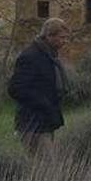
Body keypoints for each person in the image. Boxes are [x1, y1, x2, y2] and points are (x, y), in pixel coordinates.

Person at [8, 18, 70, 155]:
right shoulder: (31, 56)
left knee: (45, 166)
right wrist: (44, 103)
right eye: (62, 38)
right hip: (32, 123)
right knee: (45, 167)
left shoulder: (49, 56)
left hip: (45, 121)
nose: (65, 41)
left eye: (66, 38)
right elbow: (16, 88)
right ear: (49, 36)